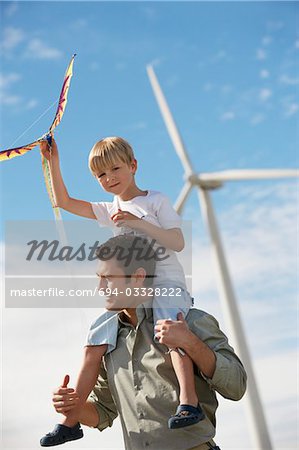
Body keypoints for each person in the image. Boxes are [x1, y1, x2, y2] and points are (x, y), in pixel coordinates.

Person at [39, 135, 204, 446]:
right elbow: (63, 201)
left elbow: (177, 242)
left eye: (114, 169)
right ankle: (70, 421)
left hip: (165, 285)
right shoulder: (109, 208)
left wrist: (137, 223)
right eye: (100, 175)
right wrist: (52, 161)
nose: (109, 178)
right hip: (131, 291)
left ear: (133, 165)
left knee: (171, 334)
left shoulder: (155, 201)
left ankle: (188, 401)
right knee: (94, 342)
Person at [44, 234, 247, 450]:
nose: (100, 288)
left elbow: (237, 386)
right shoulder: (106, 342)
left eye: (108, 278)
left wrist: (190, 342)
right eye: (98, 278)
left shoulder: (191, 321)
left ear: (138, 277)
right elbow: (102, 411)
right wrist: (72, 406)